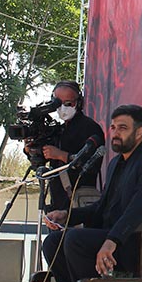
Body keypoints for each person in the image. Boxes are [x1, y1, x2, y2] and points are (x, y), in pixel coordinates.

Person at [41, 104, 142, 282]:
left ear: (139, 132)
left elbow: (139, 210)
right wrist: (67, 215)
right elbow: (102, 208)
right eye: (113, 127)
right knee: (53, 242)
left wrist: (112, 241)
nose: (116, 133)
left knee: (75, 240)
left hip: (140, 242)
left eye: (123, 128)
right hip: (115, 238)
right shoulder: (115, 163)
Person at [25, 81, 105, 213]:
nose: (63, 107)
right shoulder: (58, 129)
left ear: (79, 103)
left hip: (79, 203)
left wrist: (60, 155)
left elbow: (91, 166)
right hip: (57, 202)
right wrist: (30, 149)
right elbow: (40, 161)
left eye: (68, 103)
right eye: (58, 103)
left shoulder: (90, 127)